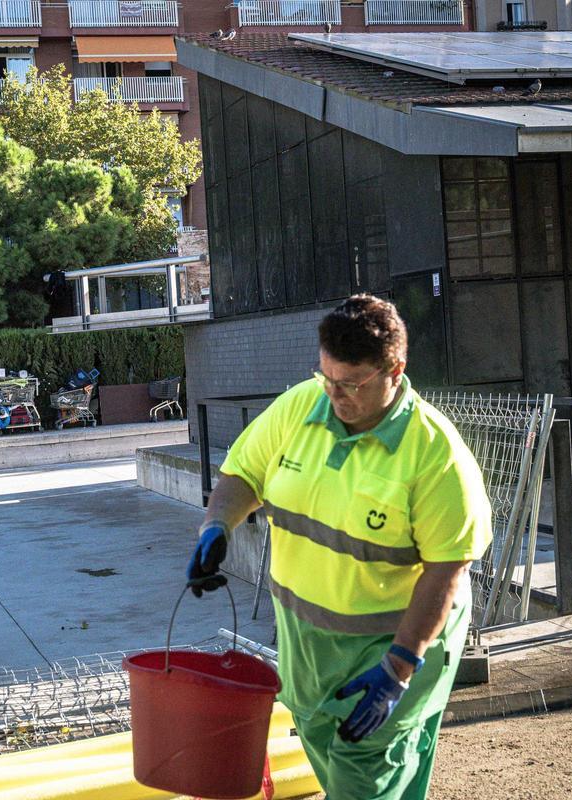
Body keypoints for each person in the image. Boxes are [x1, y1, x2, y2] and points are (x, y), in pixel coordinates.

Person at [187, 294, 492, 800]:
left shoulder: (437, 457)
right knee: (336, 768)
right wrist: (216, 526)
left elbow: (446, 572)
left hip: (394, 645)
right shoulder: (301, 406)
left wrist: (399, 668)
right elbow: (245, 473)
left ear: (395, 370)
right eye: (326, 376)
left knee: (362, 777)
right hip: (307, 647)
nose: (333, 394)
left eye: (350, 384)